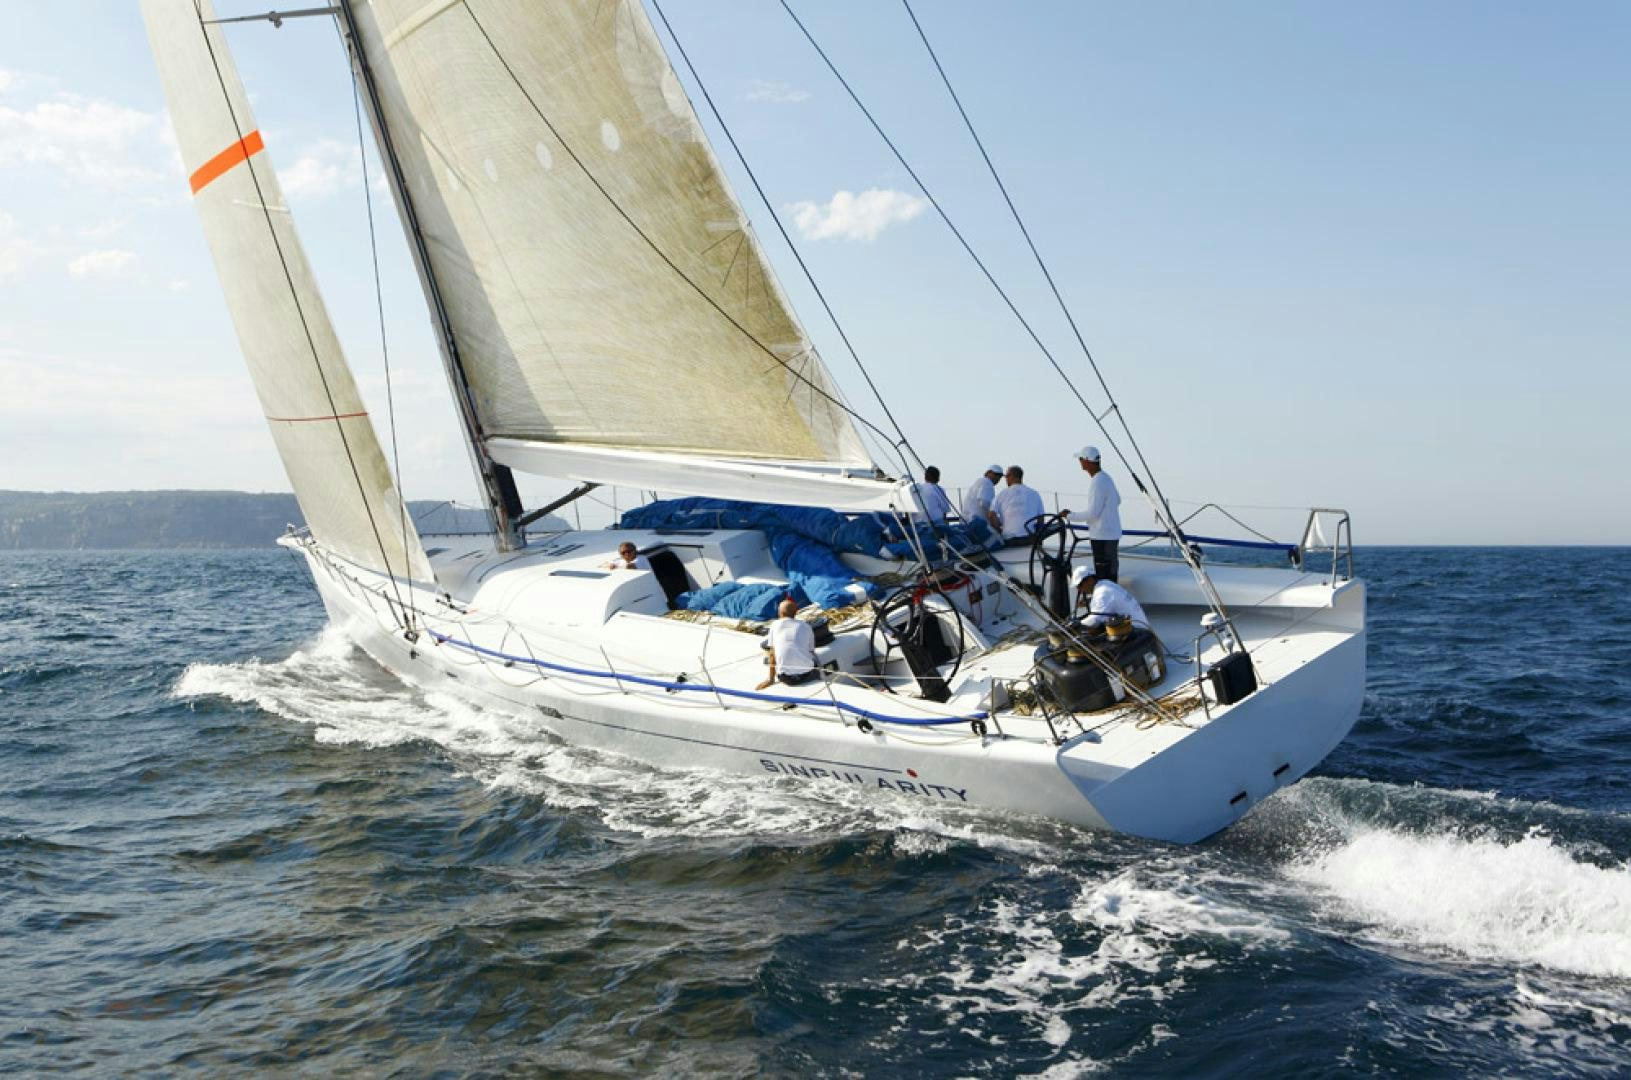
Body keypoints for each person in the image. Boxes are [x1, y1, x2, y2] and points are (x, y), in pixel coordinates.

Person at [1062, 445, 1122, 582]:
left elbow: (1092, 513)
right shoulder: (1106, 478)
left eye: (1081, 459)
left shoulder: (1097, 482)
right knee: (1111, 575)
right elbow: (1118, 500)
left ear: (1087, 461)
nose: (1080, 462)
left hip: (1101, 537)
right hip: (1112, 535)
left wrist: (1069, 515)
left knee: (1104, 577)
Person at [756, 597, 821, 688]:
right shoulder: (806, 626)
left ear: (780, 613)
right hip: (806, 675)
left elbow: (772, 654)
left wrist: (770, 679)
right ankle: (818, 679)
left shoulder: (775, 625)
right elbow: (811, 651)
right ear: (795, 613)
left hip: (786, 678)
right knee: (815, 660)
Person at [1071, 567, 1148, 630]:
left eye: (1080, 586)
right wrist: (1089, 600)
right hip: (1141, 626)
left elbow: (1094, 621)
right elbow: (1109, 600)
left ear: (1090, 580)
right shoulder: (1106, 583)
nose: (1080, 590)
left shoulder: (1102, 593)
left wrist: (1077, 624)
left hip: (1136, 630)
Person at [987, 465, 1046, 546]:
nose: (1006, 479)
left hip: (1009, 539)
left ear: (1012, 476)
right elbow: (1041, 518)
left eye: (1006, 476)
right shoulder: (1034, 493)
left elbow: (991, 516)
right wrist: (1038, 537)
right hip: (1030, 539)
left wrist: (999, 531)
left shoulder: (1001, 495)